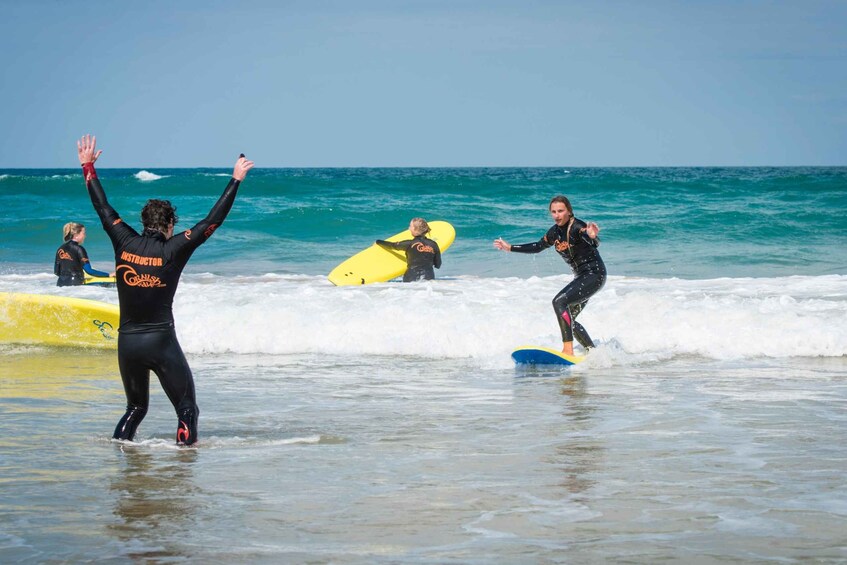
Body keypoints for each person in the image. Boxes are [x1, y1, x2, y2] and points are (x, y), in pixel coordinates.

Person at [77, 134, 254, 446]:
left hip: (128, 344)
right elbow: (213, 220)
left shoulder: (123, 239)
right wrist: (235, 180)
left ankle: (121, 462)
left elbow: (102, 207)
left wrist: (87, 166)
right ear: (171, 224)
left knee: (135, 408)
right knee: (186, 409)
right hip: (160, 341)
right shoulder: (175, 248)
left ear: (143, 221)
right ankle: (183, 468)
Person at [494, 195, 605, 356]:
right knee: (568, 319)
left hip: (594, 275)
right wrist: (510, 247)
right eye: (553, 212)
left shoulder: (577, 227)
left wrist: (593, 236)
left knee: (559, 302)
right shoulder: (554, 232)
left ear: (569, 211)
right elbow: (538, 246)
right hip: (582, 278)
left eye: (560, 211)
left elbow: (591, 239)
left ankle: (568, 350)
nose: (557, 215)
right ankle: (594, 354)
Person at [376, 217, 442, 282]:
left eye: (410, 226)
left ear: (415, 229)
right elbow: (438, 265)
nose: (409, 228)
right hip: (428, 280)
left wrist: (378, 242)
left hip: (411, 279)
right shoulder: (433, 244)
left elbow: (393, 245)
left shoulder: (408, 244)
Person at [54, 222, 114, 286]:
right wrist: (108, 275)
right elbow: (89, 271)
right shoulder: (79, 249)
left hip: (60, 285)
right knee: (108, 285)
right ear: (76, 235)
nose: (85, 236)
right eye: (83, 233)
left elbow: (56, 272)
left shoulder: (60, 249)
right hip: (75, 285)